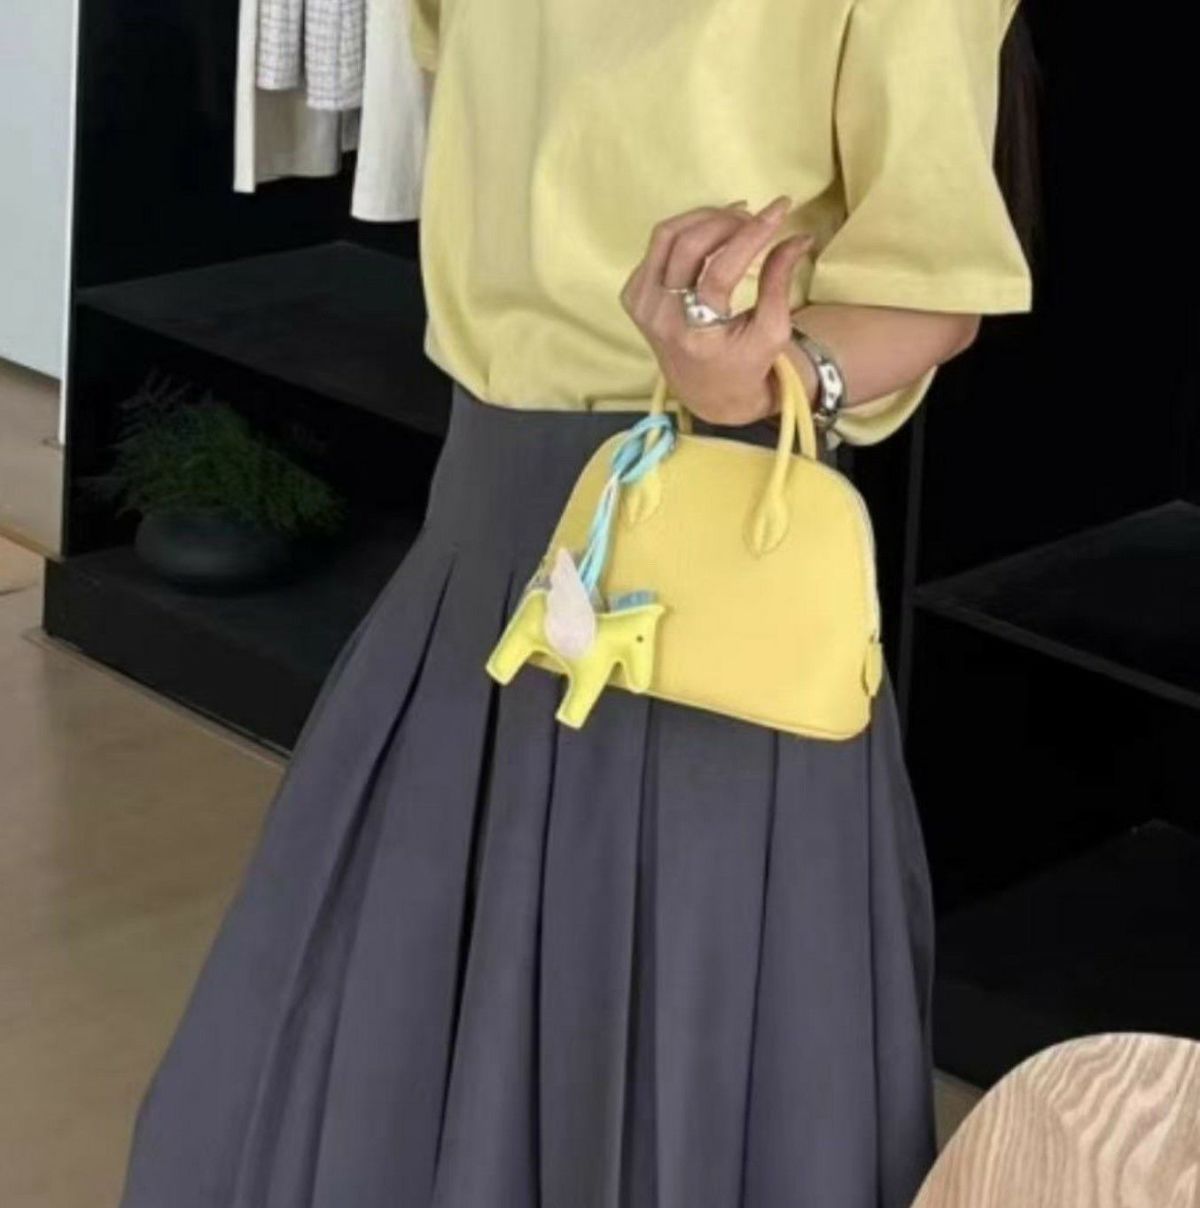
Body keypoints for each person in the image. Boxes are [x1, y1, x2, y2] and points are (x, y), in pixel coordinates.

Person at [117, 0, 1040, 1204]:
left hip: (709, 569)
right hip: (482, 535)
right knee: (337, 1039)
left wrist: (777, 372)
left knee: (671, 1050)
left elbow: (936, 291)